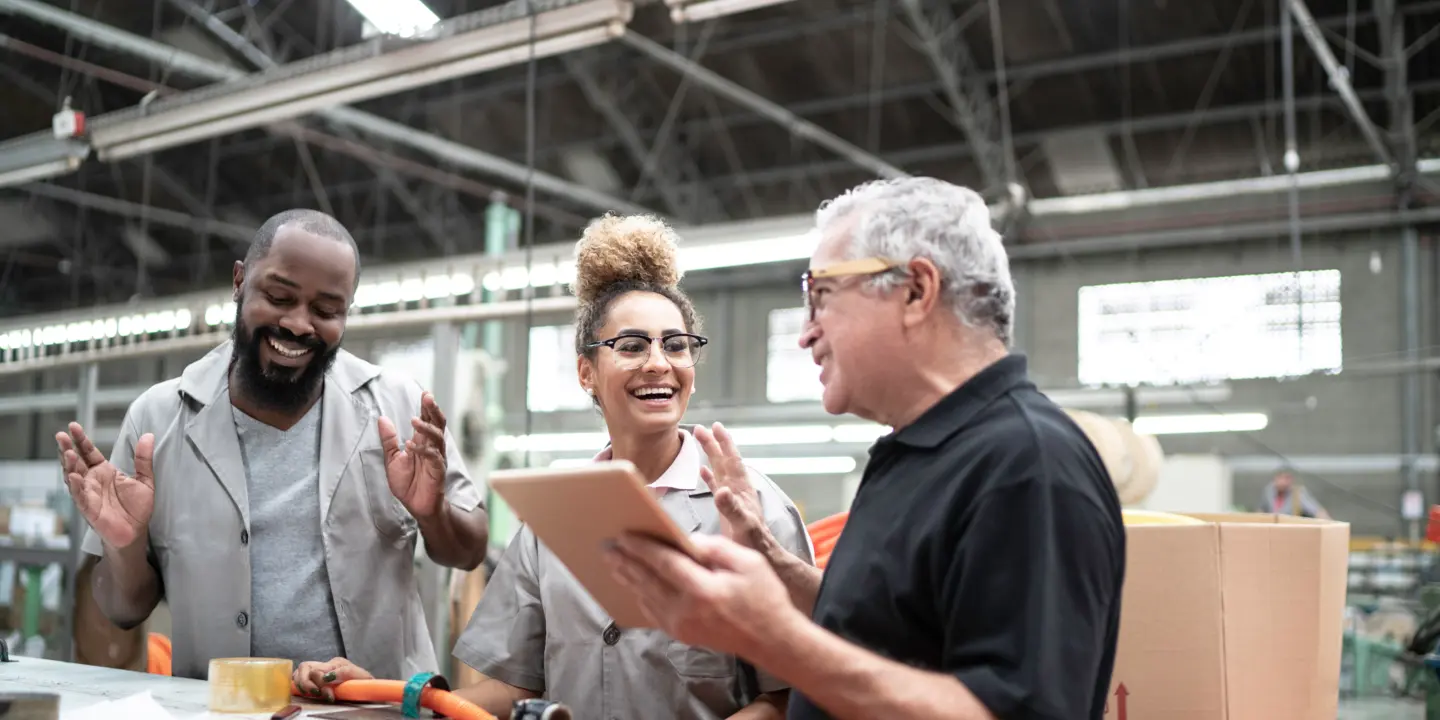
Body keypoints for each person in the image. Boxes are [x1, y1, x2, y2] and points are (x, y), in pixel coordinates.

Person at [604, 178, 1127, 720]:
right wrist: (770, 560)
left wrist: (775, 640)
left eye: (821, 296)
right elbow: (881, 631)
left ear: (916, 290)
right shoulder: (917, 455)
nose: (806, 333)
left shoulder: (1026, 465)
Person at [295, 214, 815, 719]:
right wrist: (388, 702)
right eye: (632, 346)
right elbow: (513, 689)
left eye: (676, 345)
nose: (659, 363)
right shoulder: (553, 518)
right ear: (586, 372)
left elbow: (792, 694)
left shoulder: (753, 510)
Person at [55, 209, 489, 681]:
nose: (299, 324)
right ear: (240, 281)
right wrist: (124, 546)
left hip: (371, 707)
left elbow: (469, 551)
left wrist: (433, 513)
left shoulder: (399, 405)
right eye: (279, 297)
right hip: (222, 708)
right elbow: (122, 610)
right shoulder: (156, 422)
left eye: (326, 310)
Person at [1261, 468, 1330, 519]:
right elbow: (1262, 510)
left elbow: (1317, 512)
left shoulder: (1297, 494)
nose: (1283, 482)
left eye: (1286, 478)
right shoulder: (1269, 491)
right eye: (1280, 478)